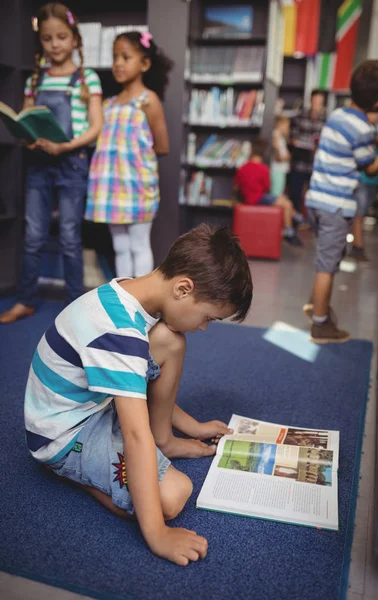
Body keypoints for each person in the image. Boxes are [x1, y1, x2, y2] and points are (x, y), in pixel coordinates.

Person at [24, 224, 253, 566]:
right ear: (183, 288)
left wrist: (191, 425)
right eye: (208, 317)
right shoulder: (120, 333)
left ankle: (166, 439)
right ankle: (69, 471)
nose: (204, 327)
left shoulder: (129, 294)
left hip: (90, 403)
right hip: (60, 434)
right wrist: (158, 534)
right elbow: (134, 434)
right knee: (174, 496)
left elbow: (133, 380)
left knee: (171, 339)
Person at [0, 3, 103, 324]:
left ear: (74, 39)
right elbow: (27, 116)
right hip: (39, 164)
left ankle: (74, 304)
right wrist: (27, 136)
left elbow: (96, 126)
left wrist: (65, 146)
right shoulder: (36, 79)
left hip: (72, 163)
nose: (55, 44)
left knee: (71, 236)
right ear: (41, 42)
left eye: (61, 36)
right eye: (47, 38)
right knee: (33, 234)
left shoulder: (87, 78)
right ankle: (26, 300)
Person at [303, 60, 378, 343]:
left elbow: (361, 145)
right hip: (335, 206)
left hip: (317, 201)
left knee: (327, 257)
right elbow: (369, 166)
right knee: (328, 265)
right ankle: (320, 324)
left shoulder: (339, 116)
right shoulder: (364, 131)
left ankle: (315, 306)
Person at [85, 31, 173, 279]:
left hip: (136, 186)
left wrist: (135, 159)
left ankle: (142, 303)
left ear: (144, 63)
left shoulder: (148, 101)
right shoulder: (109, 104)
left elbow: (162, 146)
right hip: (111, 186)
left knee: (138, 243)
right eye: (115, 57)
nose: (118, 63)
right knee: (120, 247)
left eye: (126, 57)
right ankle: (124, 299)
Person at [234, 137, 304, 247]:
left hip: (248, 197)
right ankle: (292, 227)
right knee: (287, 203)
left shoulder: (243, 168)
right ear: (264, 153)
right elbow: (267, 187)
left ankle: (296, 217)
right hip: (258, 198)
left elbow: (237, 185)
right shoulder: (264, 169)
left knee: (283, 200)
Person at [289, 89, 326, 213]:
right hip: (299, 162)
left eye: (320, 102)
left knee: (315, 196)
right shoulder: (299, 117)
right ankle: (295, 220)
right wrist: (303, 143)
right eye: (315, 101)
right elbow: (293, 139)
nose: (317, 104)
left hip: (315, 165)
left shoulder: (325, 121)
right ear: (311, 100)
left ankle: (309, 221)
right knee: (295, 194)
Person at [271, 116, 291, 197]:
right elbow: (278, 154)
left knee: (278, 192)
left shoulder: (280, 136)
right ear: (280, 124)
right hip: (277, 169)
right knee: (276, 195)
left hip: (280, 169)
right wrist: (285, 157)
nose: (287, 128)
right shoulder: (275, 134)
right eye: (286, 126)